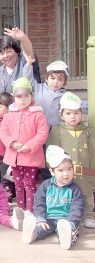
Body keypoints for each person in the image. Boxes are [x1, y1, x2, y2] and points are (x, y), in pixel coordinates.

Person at [46, 92, 95, 227]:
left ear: (81, 114)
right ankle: (66, 215)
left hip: (85, 171)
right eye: (68, 113)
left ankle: (89, 215)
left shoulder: (88, 131)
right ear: (61, 115)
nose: (73, 117)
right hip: (64, 171)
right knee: (66, 193)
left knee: (87, 194)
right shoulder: (56, 131)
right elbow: (51, 151)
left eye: (76, 113)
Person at [22, 145, 85, 250]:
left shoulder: (75, 189)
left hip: (66, 221)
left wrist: (71, 222)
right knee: (41, 229)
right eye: (61, 170)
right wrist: (41, 218)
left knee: (71, 231)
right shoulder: (46, 186)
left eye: (69, 169)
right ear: (52, 172)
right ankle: (32, 235)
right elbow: (39, 202)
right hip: (48, 219)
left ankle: (65, 239)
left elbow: (77, 208)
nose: (66, 174)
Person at [0, 77, 48, 213]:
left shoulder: (38, 115)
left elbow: (42, 134)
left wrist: (30, 145)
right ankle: (21, 209)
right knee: (18, 184)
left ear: (31, 96)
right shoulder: (9, 115)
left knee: (30, 184)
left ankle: (30, 210)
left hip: (31, 157)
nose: (23, 100)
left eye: (26, 96)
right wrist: (12, 143)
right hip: (15, 157)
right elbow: (3, 132)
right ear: (14, 97)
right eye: (19, 96)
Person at [24, 58, 88, 127]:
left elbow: (81, 105)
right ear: (46, 78)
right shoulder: (38, 88)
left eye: (60, 80)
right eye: (52, 78)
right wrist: (28, 64)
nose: (55, 82)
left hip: (57, 131)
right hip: (38, 129)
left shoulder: (66, 96)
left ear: (64, 82)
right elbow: (27, 78)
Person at [0, 27, 40, 98]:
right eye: (1, 54)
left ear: (16, 51)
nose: (6, 56)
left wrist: (23, 38)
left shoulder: (25, 62)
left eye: (9, 51)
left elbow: (29, 54)